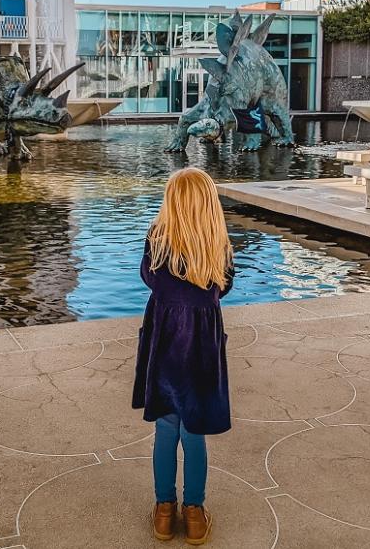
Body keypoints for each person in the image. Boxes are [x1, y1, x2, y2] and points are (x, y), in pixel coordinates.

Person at [132, 167, 234, 545]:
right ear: (210, 203)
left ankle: (163, 512)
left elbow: (148, 278)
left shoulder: (157, 241)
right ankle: (193, 514)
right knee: (195, 433)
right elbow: (223, 287)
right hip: (202, 352)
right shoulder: (218, 244)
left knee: (166, 428)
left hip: (165, 348)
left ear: (170, 203)